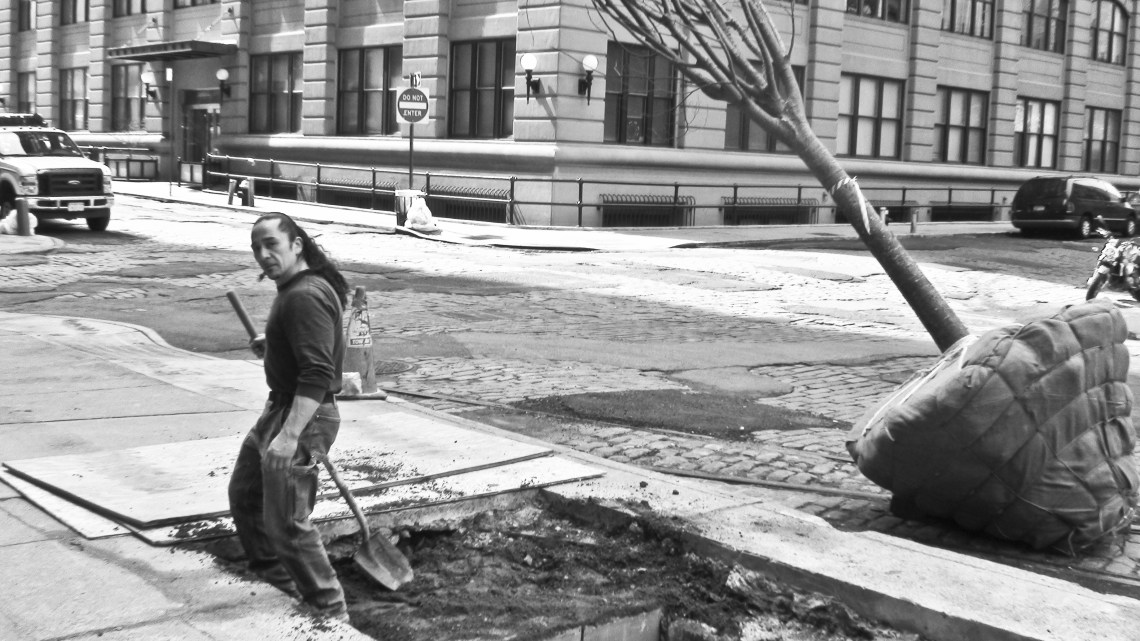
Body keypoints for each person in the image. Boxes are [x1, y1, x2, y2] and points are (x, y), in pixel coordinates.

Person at [228, 212, 351, 622]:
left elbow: (317, 373)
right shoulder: (300, 287)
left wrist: (289, 436)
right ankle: (275, 580)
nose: (263, 254)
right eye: (256, 248)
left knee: (288, 523)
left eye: (271, 244)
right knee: (246, 494)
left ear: (297, 244)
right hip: (280, 409)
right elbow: (316, 348)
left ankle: (330, 610)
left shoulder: (303, 295)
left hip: (300, 417)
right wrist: (277, 345)